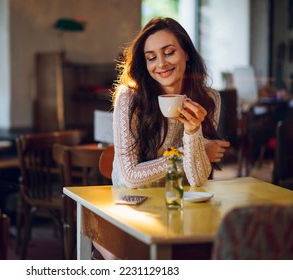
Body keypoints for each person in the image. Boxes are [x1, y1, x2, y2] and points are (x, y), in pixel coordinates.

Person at [93, 17, 230, 259]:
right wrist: (191, 153)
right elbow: (131, 177)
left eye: (169, 52)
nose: (161, 64)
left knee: (220, 251)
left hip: (180, 206)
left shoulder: (209, 99)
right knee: (128, 259)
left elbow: (197, 179)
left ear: (186, 54)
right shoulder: (130, 98)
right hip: (128, 208)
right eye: (151, 57)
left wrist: (192, 131)